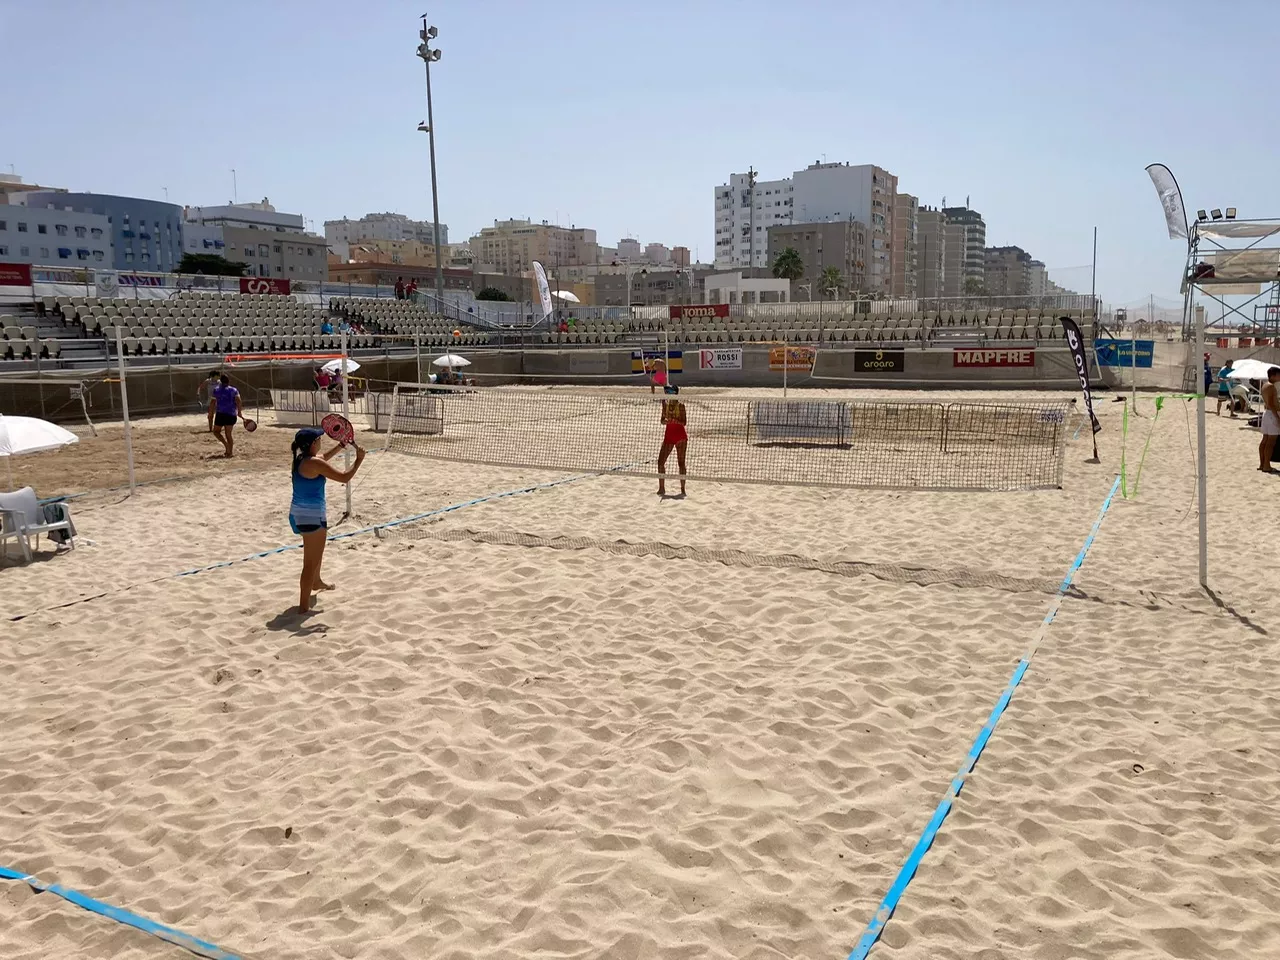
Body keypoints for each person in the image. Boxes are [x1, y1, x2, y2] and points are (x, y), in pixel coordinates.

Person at [289, 428, 365, 613]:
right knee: (310, 562)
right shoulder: (313, 463)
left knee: (317, 554)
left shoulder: (301, 459)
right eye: (319, 438)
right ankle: (303, 607)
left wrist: (340, 446)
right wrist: (359, 460)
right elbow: (344, 477)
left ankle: (316, 582)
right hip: (310, 516)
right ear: (312, 444)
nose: (321, 440)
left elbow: (323, 458)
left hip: (303, 513)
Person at [657, 384, 688, 497]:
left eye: (669, 392)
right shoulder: (665, 404)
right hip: (668, 436)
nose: (667, 394)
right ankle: (661, 488)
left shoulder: (681, 406)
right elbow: (662, 420)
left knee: (681, 463)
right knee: (660, 462)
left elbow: (684, 422)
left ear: (674, 393)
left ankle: (683, 489)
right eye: (667, 392)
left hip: (680, 437)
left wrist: (675, 420)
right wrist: (666, 421)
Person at [210, 374, 242, 458]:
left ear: (220, 381)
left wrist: (210, 413)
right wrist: (239, 412)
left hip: (220, 414)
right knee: (228, 434)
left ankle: (226, 445)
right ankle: (230, 452)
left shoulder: (216, 390)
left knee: (216, 432)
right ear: (228, 381)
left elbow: (212, 403)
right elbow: (238, 400)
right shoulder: (234, 390)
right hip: (231, 414)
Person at [1259, 366, 1280, 474]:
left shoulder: (1265, 385)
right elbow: (1272, 404)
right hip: (1272, 413)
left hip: (1267, 414)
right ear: (1273, 376)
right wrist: (1277, 417)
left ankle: (1262, 464)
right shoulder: (1271, 387)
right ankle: (1267, 465)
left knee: (1265, 440)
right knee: (1271, 442)